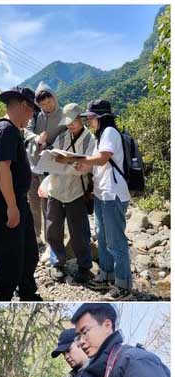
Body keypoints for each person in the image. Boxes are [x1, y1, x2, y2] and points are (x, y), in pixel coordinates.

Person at [0, 86, 42, 301]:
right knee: (8, 258)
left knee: (28, 253)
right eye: (32, 111)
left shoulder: (11, 130)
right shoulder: (5, 130)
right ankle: (3, 298)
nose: (31, 116)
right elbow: (2, 168)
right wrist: (11, 207)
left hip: (17, 201)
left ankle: (27, 292)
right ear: (24, 105)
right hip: (5, 204)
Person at [74, 100, 132, 301]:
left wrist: (78, 160)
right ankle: (107, 275)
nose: (88, 121)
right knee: (102, 237)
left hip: (113, 194)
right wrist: (84, 167)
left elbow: (102, 159)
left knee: (116, 241)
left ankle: (123, 284)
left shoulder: (109, 133)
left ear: (101, 117)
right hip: (101, 193)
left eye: (90, 117)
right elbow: (98, 164)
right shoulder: (100, 136)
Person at [42, 103, 95, 283]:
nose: (70, 125)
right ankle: (57, 263)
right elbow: (54, 160)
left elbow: (86, 167)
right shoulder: (62, 136)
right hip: (56, 189)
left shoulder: (90, 140)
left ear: (81, 118)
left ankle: (84, 266)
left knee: (79, 231)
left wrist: (67, 161)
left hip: (76, 191)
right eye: (68, 122)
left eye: (73, 121)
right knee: (53, 228)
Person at [24, 82, 66, 247]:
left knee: (48, 203)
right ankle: (36, 236)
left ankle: (51, 239)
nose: (47, 106)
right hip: (32, 164)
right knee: (33, 199)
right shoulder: (35, 115)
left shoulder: (63, 115)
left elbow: (66, 136)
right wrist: (37, 139)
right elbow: (25, 131)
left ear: (54, 98)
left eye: (49, 102)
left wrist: (51, 146)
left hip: (50, 165)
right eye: (43, 104)